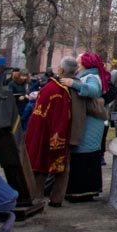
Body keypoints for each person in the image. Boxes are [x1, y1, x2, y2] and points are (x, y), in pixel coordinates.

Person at [24, 60, 73, 207]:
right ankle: (50, 198)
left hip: (42, 132)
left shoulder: (52, 88)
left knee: (40, 166)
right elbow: (59, 116)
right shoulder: (58, 90)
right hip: (51, 133)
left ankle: (37, 196)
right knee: (47, 166)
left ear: (61, 70)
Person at [65, 52, 110, 202]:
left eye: (79, 63)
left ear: (86, 63)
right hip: (88, 122)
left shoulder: (91, 77)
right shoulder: (90, 75)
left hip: (90, 123)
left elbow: (93, 90)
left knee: (85, 155)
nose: (77, 65)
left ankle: (82, 191)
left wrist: (74, 84)